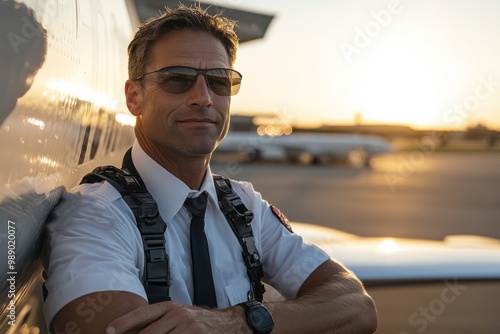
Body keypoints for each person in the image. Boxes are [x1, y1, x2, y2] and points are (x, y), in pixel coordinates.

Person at [43, 5, 377, 334]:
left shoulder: (244, 205)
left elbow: (357, 305)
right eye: (177, 79)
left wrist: (240, 321)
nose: (203, 97)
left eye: (220, 81)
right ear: (134, 97)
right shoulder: (93, 215)